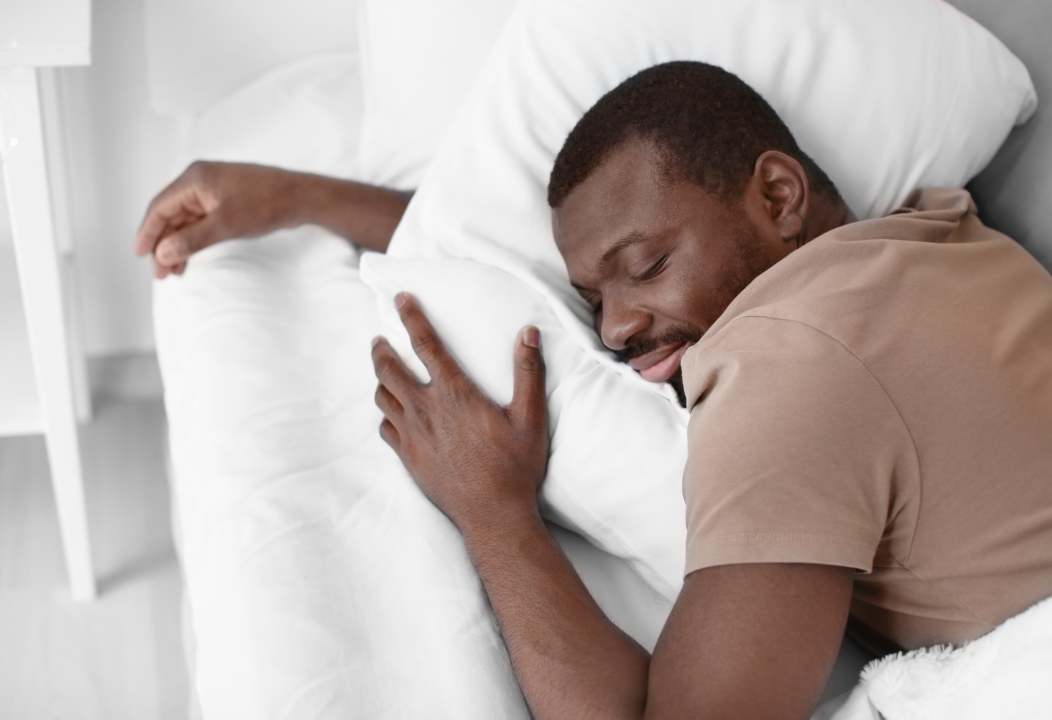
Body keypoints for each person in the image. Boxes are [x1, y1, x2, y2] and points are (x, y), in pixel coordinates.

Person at [137, 61, 1052, 719]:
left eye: (646, 266)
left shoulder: (787, 371)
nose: (613, 329)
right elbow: (516, 273)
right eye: (594, 299)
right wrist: (297, 197)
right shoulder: (938, 235)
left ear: (778, 196)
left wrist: (494, 513)